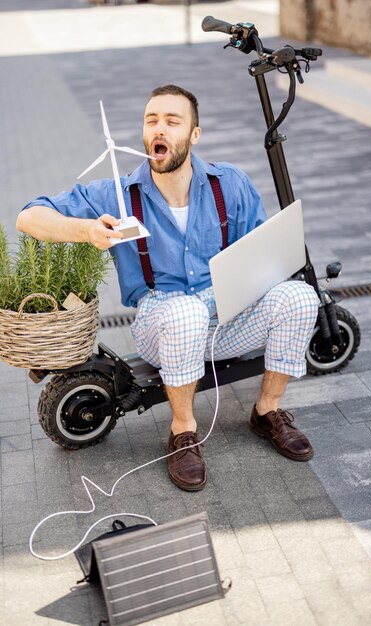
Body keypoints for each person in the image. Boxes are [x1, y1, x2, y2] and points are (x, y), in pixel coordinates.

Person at [17, 84, 319, 492]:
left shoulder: (228, 184)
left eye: (172, 121)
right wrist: (87, 229)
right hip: (161, 321)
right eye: (151, 120)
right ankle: (183, 431)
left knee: (300, 297)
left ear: (194, 134)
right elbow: (29, 217)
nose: (159, 128)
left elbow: (259, 257)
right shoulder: (118, 194)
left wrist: (260, 280)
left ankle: (267, 412)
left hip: (227, 316)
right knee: (185, 312)